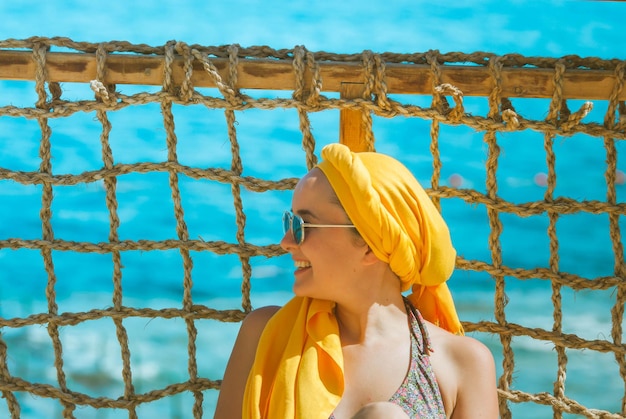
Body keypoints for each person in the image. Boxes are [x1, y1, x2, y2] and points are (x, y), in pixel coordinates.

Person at [214, 143, 499, 418]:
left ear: (369, 243)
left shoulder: (463, 363)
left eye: (302, 226)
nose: (286, 241)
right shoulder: (265, 333)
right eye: (288, 223)